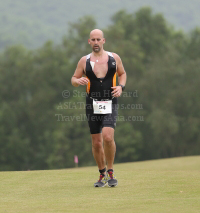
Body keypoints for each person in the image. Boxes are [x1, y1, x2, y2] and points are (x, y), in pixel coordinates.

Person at [71, 29, 127, 187]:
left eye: (98, 39)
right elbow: (73, 78)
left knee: (108, 137)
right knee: (96, 143)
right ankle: (102, 174)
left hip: (110, 102)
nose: (96, 42)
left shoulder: (114, 58)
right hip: (92, 104)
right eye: (93, 40)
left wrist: (121, 87)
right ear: (89, 42)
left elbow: (123, 74)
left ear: (104, 41)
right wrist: (78, 81)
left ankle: (110, 172)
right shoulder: (84, 61)